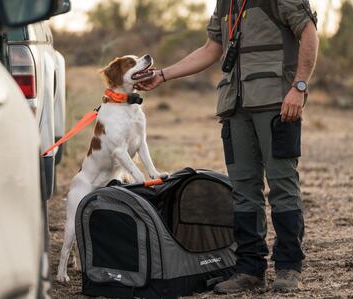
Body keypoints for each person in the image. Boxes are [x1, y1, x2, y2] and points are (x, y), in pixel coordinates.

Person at [136, 0, 319, 294]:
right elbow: (212, 48)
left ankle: (288, 267)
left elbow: (309, 33)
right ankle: (249, 269)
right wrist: (163, 74)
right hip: (235, 106)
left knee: (282, 185)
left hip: (277, 103)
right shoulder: (226, 2)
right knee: (243, 190)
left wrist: (299, 87)